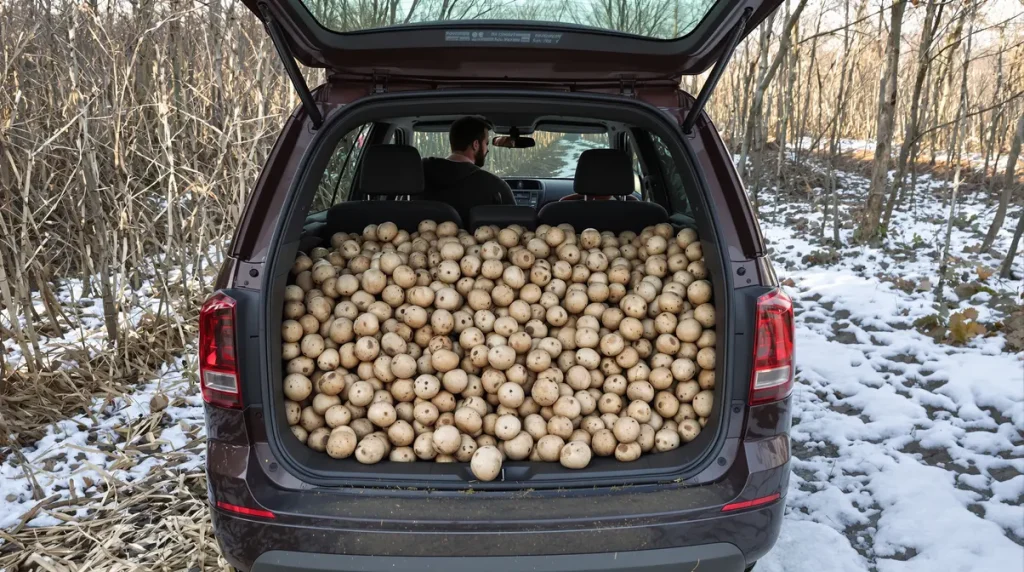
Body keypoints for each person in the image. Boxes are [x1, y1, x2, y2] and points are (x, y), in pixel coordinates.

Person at [422, 116, 515, 222]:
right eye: (486, 144)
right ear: (476, 145)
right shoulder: (496, 187)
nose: (487, 150)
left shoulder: (417, 181)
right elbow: (515, 228)